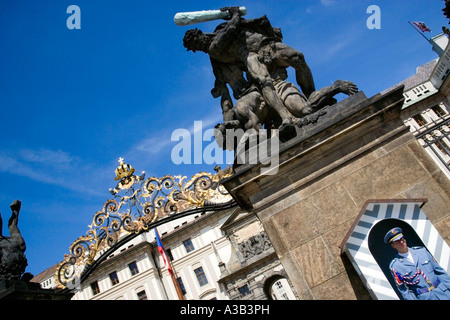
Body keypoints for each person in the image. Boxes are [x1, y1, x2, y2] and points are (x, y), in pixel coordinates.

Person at [385, 227, 450, 300]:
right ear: (393, 245)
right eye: (397, 241)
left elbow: (439, 272)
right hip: (426, 297)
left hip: (443, 292)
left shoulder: (421, 251)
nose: (401, 242)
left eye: (402, 239)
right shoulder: (396, 266)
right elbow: (404, 290)